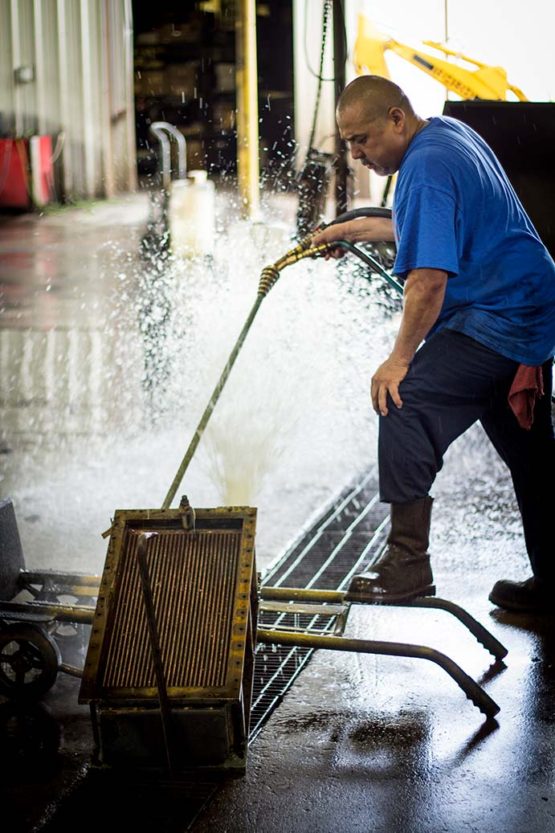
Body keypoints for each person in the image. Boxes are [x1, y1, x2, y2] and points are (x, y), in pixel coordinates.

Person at [311, 75, 555, 613]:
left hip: (499, 317)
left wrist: (398, 361)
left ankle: (408, 565)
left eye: (363, 140)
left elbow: (428, 278)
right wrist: (353, 230)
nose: (355, 154)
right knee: (531, 457)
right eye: (348, 142)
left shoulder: (423, 168)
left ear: (397, 119)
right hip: (529, 303)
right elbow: (430, 222)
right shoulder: (445, 132)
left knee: (403, 401)